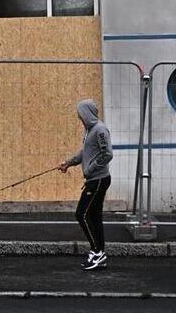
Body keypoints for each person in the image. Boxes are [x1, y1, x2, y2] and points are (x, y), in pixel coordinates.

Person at [58, 98, 113, 270]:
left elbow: (107, 154)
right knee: (95, 217)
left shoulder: (100, 130)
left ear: (87, 113)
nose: (79, 118)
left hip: (98, 180)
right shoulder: (90, 131)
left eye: (80, 114)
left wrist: (90, 169)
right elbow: (85, 152)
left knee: (81, 214)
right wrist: (68, 163)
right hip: (94, 180)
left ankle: (97, 252)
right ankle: (99, 253)